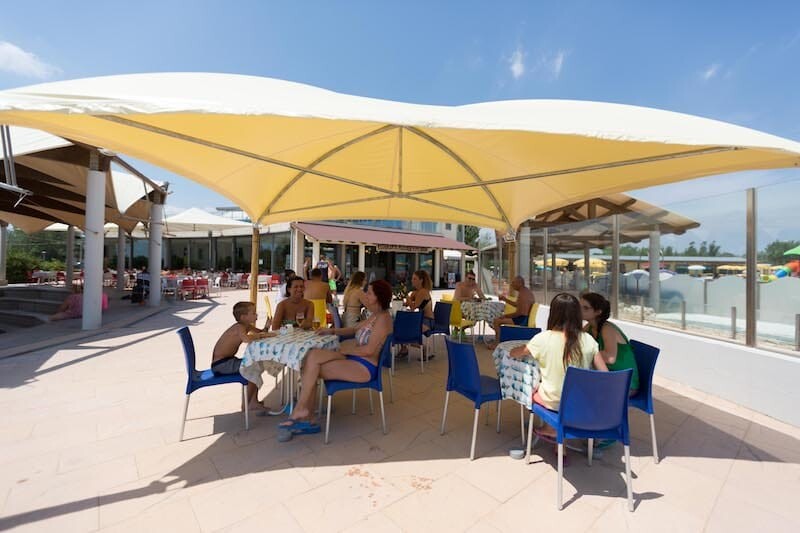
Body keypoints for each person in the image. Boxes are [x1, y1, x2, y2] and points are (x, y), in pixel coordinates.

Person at [278, 280, 393, 435]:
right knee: (312, 356)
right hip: (355, 359)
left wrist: (344, 350)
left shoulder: (383, 319)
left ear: (379, 297)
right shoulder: (375, 316)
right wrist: (331, 331)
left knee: (312, 367)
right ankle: (304, 412)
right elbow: (354, 329)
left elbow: (369, 350)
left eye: (369, 293)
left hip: (365, 367)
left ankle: (304, 413)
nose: (365, 295)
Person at [509, 293, 608, 441]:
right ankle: (559, 433)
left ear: (553, 313)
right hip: (581, 402)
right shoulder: (588, 340)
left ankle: (552, 428)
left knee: (531, 391)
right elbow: (605, 374)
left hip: (553, 401)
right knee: (561, 391)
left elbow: (514, 353)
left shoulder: (543, 339)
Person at [211, 301, 275, 411]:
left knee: (256, 365)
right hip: (221, 364)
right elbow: (246, 339)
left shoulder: (246, 326)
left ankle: (253, 401)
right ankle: (247, 403)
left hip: (228, 361)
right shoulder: (239, 327)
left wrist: (267, 326)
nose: (256, 315)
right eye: (253, 313)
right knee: (253, 368)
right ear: (243, 317)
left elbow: (261, 333)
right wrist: (260, 336)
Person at [581, 292, 640, 395]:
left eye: (585, 308)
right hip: (607, 377)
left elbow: (610, 358)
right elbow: (576, 342)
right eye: (579, 306)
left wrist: (585, 353)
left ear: (598, 312)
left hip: (625, 384)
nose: (579, 310)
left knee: (581, 389)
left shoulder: (607, 329)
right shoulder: (589, 327)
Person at [397, 270, 435, 360]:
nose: (412, 281)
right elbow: (407, 304)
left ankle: (425, 348)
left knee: (406, 331)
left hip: (427, 321)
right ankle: (404, 348)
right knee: (399, 327)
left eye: (415, 279)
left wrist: (406, 295)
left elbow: (413, 307)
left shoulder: (423, 292)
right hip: (420, 319)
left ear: (421, 280)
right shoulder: (416, 292)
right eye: (412, 278)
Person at [491, 276, 535, 343]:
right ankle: (499, 340)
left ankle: (497, 342)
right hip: (523, 317)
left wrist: (505, 316)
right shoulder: (525, 291)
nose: (512, 284)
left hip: (522, 320)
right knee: (498, 319)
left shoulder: (523, 295)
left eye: (513, 282)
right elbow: (517, 305)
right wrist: (505, 299)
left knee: (496, 321)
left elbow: (520, 313)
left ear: (519, 283)